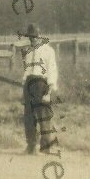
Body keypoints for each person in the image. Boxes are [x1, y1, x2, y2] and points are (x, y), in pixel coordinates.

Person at [20, 23, 59, 154]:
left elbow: (52, 71)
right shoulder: (28, 51)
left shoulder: (48, 51)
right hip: (29, 84)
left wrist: (49, 91)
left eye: (35, 37)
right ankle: (31, 146)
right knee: (29, 118)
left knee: (44, 117)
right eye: (30, 37)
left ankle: (46, 146)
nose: (33, 39)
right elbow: (26, 71)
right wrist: (24, 88)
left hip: (42, 84)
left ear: (40, 35)